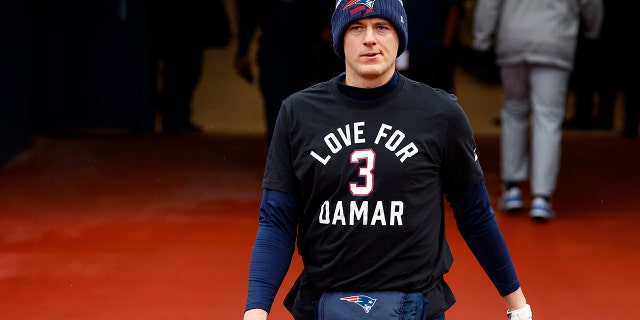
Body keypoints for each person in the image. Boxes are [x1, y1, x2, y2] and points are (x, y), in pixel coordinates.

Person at [243, 1, 532, 319]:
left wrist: (516, 304)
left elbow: (475, 214)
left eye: (382, 27)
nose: (370, 39)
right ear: (340, 39)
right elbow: (277, 220)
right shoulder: (298, 112)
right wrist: (256, 309)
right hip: (324, 304)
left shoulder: (440, 113)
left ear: (399, 37)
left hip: (416, 305)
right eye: (356, 28)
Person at [472, 0, 603, 221]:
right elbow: (592, 4)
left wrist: (481, 40)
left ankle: (512, 188)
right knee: (548, 118)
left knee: (514, 112)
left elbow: (488, 4)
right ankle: (542, 197)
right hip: (556, 41)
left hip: (514, 40)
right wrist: (593, 30)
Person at [234, 0, 328, 143]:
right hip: (274, 49)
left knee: (302, 104)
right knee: (275, 103)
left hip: (306, 51)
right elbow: (248, 17)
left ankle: (296, 152)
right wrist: (242, 51)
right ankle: (279, 154)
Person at [149, 0, 231, 135]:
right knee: (179, 75)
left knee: (187, 74)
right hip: (178, 33)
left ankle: (178, 118)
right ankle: (173, 119)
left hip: (186, 33)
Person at [398, 0, 464, 94]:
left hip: (431, 48)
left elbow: (454, 10)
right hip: (402, 47)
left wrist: (445, 45)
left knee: (433, 96)